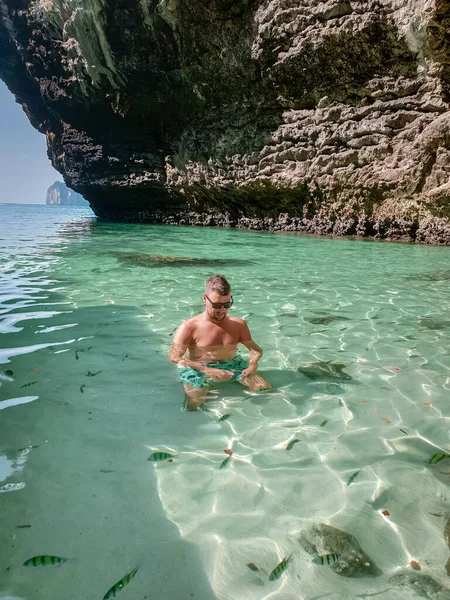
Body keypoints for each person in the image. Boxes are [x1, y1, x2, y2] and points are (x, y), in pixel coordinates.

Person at [169, 274, 271, 410]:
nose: (222, 310)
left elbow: (256, 350)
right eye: (217, 305)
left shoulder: (238, 325)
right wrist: (206, 370)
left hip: (233, 364)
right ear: (205, 299)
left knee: (264, 391)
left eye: (227, 304)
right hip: (198, 367)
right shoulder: (189, 327)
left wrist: (252, 365)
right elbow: (174, 357)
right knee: (193, 405)